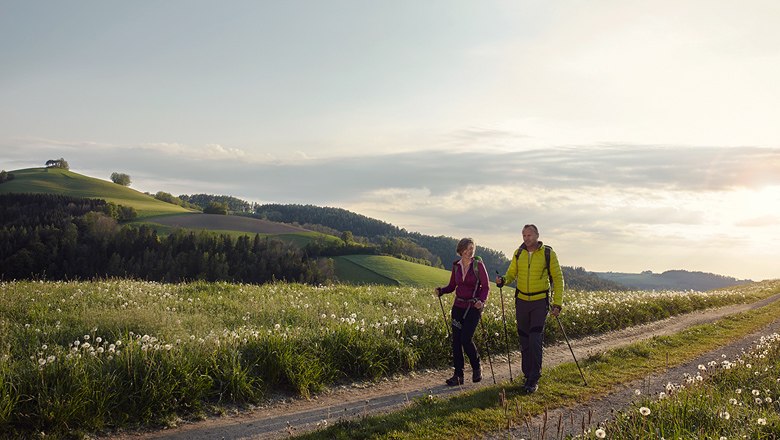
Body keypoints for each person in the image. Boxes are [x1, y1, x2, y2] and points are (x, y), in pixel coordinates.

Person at [496, 224, 564, 393]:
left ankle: (534, 378)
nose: (526, 238)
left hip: (539, 302)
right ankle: (527, 375)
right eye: (524, 235)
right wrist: (503, 280)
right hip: (521, 302)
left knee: (535, 339)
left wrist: (557, 304)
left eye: (529, 235)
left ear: (537, 235)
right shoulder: (518, 253)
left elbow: (558, 279)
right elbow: (512, 273)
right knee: (524, 340)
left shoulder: (548, 253)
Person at [435, 237, 490, 386]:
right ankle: (458, 375)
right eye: (466, 249)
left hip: (473, 307)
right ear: (460, 251)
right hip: (458, 307)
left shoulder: (478, 265)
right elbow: (453, 285)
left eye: (471, 249)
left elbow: (485, 287)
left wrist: (482, 301)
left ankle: (477, 366)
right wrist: (442, 291)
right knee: (456, 341)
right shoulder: (456, 266)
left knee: (466, 339)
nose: (469, 252)